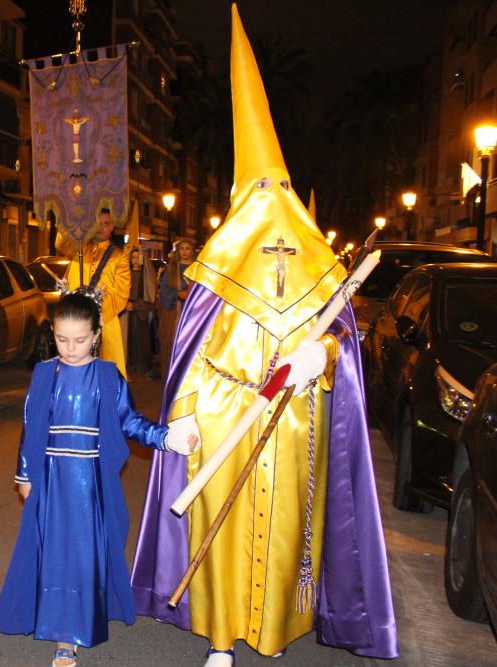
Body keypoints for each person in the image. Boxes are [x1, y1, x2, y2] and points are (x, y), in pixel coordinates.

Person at [130, 7, 397, 666]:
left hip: (291, 419)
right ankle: (221, 635)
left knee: (282, 530)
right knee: (221, 533)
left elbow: (339, 337)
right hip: (226, 413)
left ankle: (271, 628)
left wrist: (323, 354)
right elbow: (190, 355)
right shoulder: (217, 270)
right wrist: (185, 419)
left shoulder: (314, 262)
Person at [0, 288, 196, 667]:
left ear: (97, 335)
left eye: (80, 340)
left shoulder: (107, 376)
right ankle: (63, 636)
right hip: (51, 482)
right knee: (54, 555)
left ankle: (76, 624)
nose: (70, 348)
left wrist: (166, 437)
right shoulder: (42, 374)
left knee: (84, 555)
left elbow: (129, 422)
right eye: (61, 339)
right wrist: (24, 474)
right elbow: (31, 426)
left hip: (91, 487)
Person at [65, 208, 131, 377]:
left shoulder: (119, 257)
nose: (101, 227)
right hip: (76, 319)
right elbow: (61, 243)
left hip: (106, 321)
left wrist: (97, 315)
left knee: (107, 373)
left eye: (105, 224)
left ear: (112, 227)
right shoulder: (78, 249)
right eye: (97, 224)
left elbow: (121, 294)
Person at [156, 237, 195, 377]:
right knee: (172, 343)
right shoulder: (172, 269)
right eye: (182, 249)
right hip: (174, 313)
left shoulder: (198, 269)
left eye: (187, 248)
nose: (184, 252)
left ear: (192, 251)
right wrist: (177, 294)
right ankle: (172, 375)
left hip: (194, 314)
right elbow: (163, 290)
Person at [120, 246, 157, 376]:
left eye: (137, 257)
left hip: (141, 313)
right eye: (133, 257)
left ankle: (142, 368)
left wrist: (136, 306)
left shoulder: (145, 275)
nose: (135, 260)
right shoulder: (126, 273)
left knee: (141, 341)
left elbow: (149, 295)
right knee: (127, 340)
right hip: (125, 312)